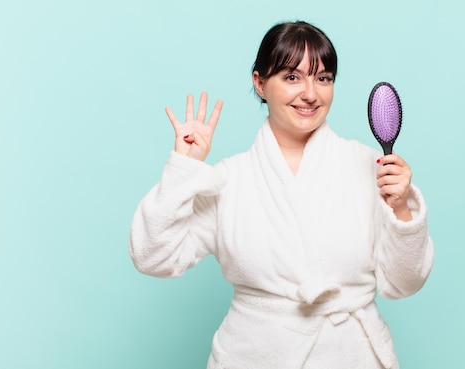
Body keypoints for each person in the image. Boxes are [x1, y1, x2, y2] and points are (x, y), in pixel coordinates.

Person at [129, 20, 434, 369]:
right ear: (260, 83)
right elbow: (152, 257)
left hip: (351, 355)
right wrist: (184, 170)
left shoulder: (371, 167)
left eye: (323, 78)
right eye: (292, 77)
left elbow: (404, 283)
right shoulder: (228, 180)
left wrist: (402, 210)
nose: (310, 93)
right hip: (254, 357)